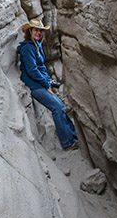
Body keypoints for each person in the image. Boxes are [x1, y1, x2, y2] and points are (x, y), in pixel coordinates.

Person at [17, 19, 79, 150]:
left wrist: (50, 82)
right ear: (30, 31)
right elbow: (32, 70)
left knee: (61, 106)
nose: (39, 33)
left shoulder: (37, 46)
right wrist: (46, 84)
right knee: (57, 107)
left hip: (40, 83)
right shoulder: (27, 48)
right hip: (34, 85)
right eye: (36, 30)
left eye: (40, 30)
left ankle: (73, 136)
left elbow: (41, 68)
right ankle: (67, 143)